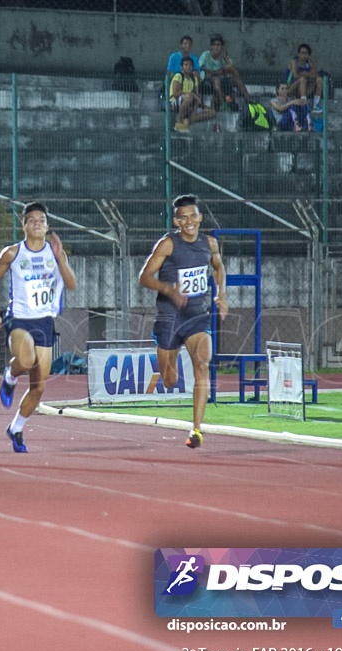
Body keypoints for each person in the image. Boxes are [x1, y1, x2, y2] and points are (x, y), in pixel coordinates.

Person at [0, 202, 77, 453]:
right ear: (24, 225)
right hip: (19, 319)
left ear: (47, 226)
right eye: (32, 220)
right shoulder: (13, 253)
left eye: (42, 220)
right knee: (25, 360)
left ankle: (16, 428)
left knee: (39, 387)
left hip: (45, 321)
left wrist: (60, 259)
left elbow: (70, 284)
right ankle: (10, 376)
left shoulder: (55, 252)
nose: (37, 223)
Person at [138, 194, 227, 449]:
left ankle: (197, 430)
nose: (189, 221)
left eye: (193, 216)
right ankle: (168, 368)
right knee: (168, 379)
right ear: (177, 220)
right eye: (183, 217)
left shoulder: (209, 243)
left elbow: (218, 268)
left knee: (203, 364)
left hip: (197, 316)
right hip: (169, 317)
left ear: (200, 217)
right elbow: (144, 276)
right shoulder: (168, 244)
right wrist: (170, 290)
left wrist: (222, 295)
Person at [198, 34, 250, 111]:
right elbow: (201, 69)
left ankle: (249, 102)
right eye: (214, 45)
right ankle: (223, 104)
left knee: (237, 81)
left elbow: (235, 73)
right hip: (207, 80)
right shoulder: (205, 55)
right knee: (216, 80)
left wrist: (226, 61)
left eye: (218, 45)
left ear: (221, 47)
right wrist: (221, 71)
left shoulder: (224, 57)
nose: (216, 47)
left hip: (223, 79)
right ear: (211, 46)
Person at [170, 57, 215, 133]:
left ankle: (188, 121)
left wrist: (195, 107)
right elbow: (175, 93)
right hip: (176, 101)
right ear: (182, 67)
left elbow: (197, 96)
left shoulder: (194, 79)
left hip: (192, 103)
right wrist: (190, 95)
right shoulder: (179, 76)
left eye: (190, 65)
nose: (188, 67)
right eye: (186, 65)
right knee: (189, 97)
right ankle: (180, 121)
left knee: (212, 113)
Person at [286, 43, 324, 113]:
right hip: (292, 88)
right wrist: (307, 75)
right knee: (302, 80)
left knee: (319, 80)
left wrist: (305, 74)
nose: (304, 55)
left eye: (306, 53)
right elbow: (295, 76)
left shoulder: (309, 63)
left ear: (309, 54)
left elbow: (315, 75)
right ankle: (303, 104)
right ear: (298, 54)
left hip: (304, 89)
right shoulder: (294, 62)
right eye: (302, 53)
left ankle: (315, 105)